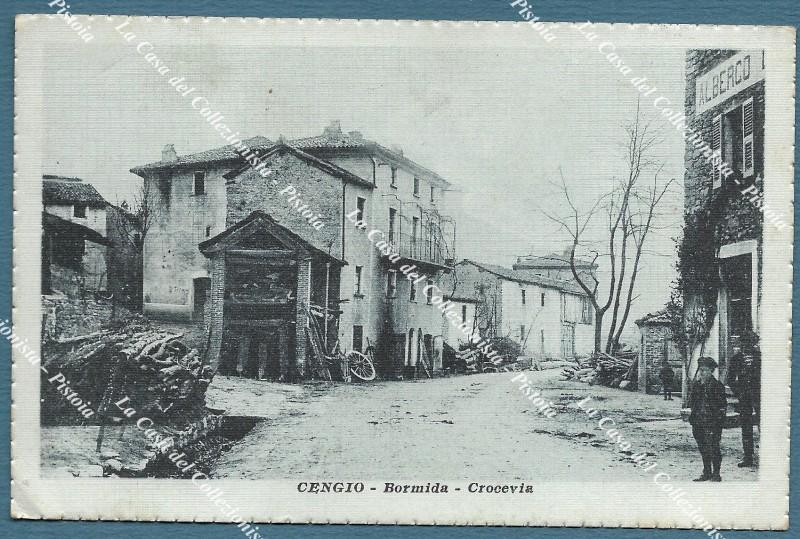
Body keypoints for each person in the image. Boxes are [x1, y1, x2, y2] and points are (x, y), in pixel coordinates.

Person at [688, 357, 727, 482]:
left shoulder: (717, 386)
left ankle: (716, 473)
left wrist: (718, 422)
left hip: (712, 422)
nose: (701, 373)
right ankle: (706, 472)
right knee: (703, 447)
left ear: (711, 371)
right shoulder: (697, 385)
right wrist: (693, 417)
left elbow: (722, 406)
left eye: (704, 370)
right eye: (700, 370)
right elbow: (692, 403)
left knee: (714, 447)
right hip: (699, 421)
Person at [727, 330, 761, 468]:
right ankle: (748, 457)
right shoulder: (736, 359)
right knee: (746, 427)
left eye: (750, 343)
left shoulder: (761, 357)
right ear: (741, 344)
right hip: (744, 398)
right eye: (744, 343)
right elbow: (730, 379)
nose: (747, 346)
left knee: (764, 425)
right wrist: (739, 392)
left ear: (754, 344)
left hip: (760, 397)